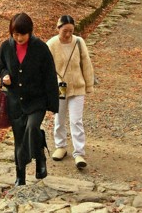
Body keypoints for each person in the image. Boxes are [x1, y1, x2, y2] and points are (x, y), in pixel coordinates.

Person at [0, 13, 59, 186]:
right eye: (15, 34)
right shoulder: (6, 47)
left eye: (22, 34)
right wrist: (5, 75)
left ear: (30, 32)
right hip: (15, 101)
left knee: (32, 129)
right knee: (19, 139)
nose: (18, 38)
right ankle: (20, 176)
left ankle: (39, 157)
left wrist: (53, 104)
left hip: (36, 101)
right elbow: (1, 67)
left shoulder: (40, 48)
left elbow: (49, 76)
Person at [46, 15, 95, 170]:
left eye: (71, 31)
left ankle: (79, 152)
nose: (68, 34)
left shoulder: (79, 42)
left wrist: (89, 85)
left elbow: (86, 64)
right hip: (58, 87)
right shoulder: (51, 44)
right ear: (58, 28)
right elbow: (45, 69)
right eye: (64, 31)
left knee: (76, 120)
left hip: (77, 86)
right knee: (59, 118)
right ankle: (60, 146)